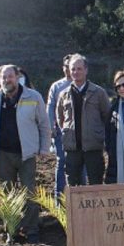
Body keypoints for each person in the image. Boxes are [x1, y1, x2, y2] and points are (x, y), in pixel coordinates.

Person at [0, 65, 51, 243]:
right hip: (3, 155)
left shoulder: (33, 96)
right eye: (3, 77)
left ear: (17, 77)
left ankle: (32, 229)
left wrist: (44, 148)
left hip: (27, 154)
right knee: (7, 194)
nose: (6, 80)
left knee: (28, 192)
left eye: (10, 76)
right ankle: (12, 228)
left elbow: (44, 124)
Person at [56, 54, 111, 186]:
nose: (76, 72)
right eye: (73, 69)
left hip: (93, 148)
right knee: (73, 186)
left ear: (86, 70)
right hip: (72, 149)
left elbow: (107, 117)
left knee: (95, 184)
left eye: (79, 69)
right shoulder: (64, 95)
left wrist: (98, 134)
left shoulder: (99, 92)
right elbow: (60, 118)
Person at [45, 55, 72, 200]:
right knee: (61, 162)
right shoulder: (57, 86)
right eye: (66, 66)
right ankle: (59, 198)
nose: (69, 69)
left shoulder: (83, 84)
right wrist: (51, 127)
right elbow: (50, 107)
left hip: (79, 133)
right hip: (61, 131)